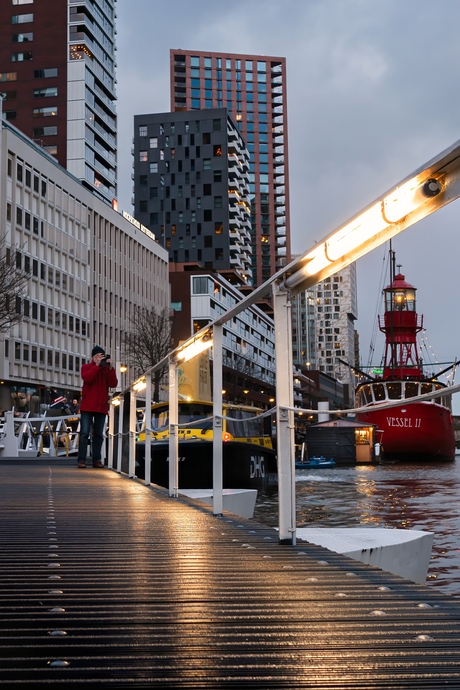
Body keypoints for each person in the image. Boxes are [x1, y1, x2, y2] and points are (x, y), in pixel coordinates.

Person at [77, 345, 118, 468]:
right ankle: (82, 459)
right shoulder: (86, 367)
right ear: (93, 357)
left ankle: (97, 459)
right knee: (84, 433)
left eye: (102, 356)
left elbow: (113, 384)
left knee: (99, 434)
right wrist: (96, 366)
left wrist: (111, 368)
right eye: (98, 356)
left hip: (101, 406)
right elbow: (87, 378)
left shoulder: (106, 370)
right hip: (87, 406)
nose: (100, 358)